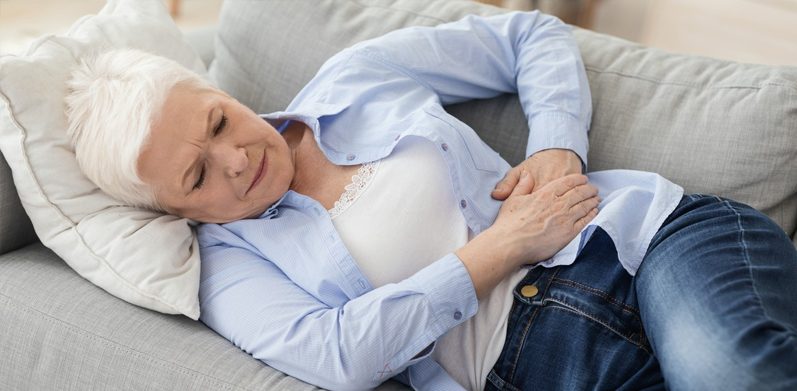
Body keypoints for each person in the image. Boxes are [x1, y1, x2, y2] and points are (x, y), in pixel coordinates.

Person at [64, 10, 797, 391]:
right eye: (197, 176)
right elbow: (342, 354)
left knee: (731, 374)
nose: (237, 159)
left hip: (644, 241)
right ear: (177, 212)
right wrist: (501, 246)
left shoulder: (355, 79)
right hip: (539, 364)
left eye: (220, 121)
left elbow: (527, 35)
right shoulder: (227, 266)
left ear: (220, 91)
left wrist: (557, 145)